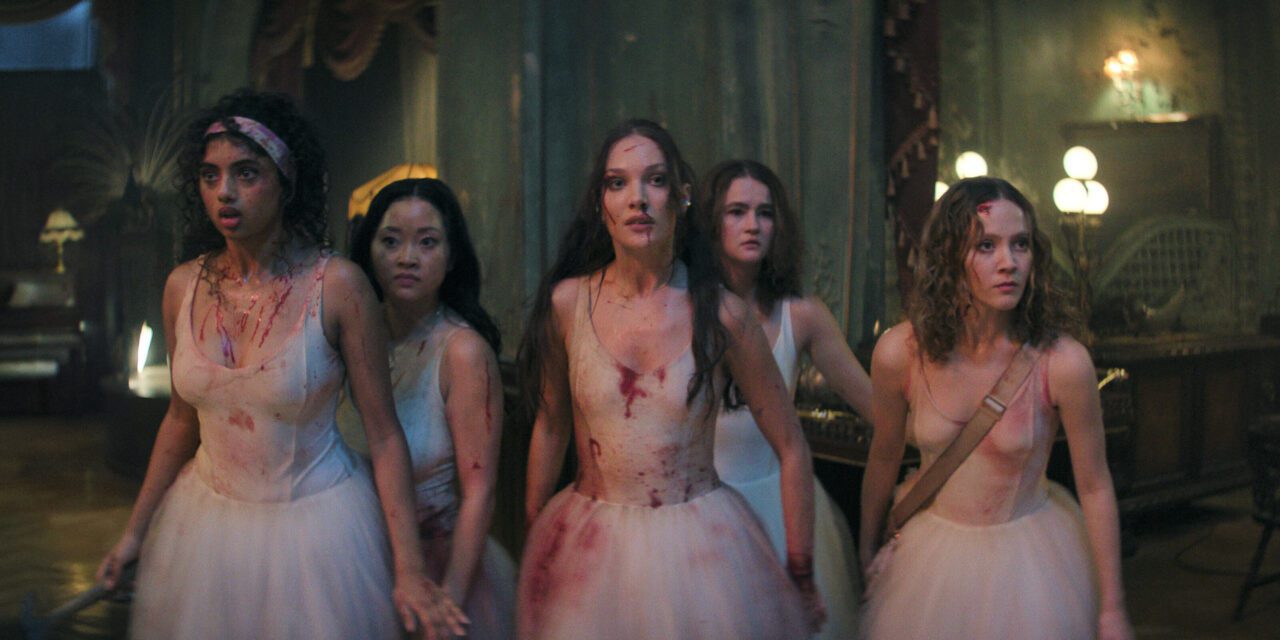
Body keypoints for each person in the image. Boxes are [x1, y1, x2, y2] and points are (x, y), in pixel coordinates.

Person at [95, 89, 465, 640]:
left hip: (318, 530)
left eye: (246, 173)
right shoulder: (182, 286)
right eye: (210, 175)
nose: (225, 192)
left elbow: (385, 436)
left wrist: (409, 570)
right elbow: (179, 419)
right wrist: (135, 533)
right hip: (207, 527)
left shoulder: (337, 286)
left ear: (286, 181)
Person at [514, 119, 822, 639]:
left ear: (681, 197)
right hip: (591, 545)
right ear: (600, 205)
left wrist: (801, 570)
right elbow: (550, 427)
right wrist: (536, 538)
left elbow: (791, 445)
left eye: (655, 180)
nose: (638, 198)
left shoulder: (723, 315)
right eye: (618, 183)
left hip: (698, 549)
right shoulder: (568, 304)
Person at [859, 177, 1132, 639]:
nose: (1009, 263)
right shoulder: (900, 353)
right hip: (931, 562)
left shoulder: (1061, 362)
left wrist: (1112, 608)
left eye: (1020, 244)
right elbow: (884, 455)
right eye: (986, 246)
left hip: (1029, 565)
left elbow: (1095, 485)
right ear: (949, 256)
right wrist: (866, 546)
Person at [697, 159, 869, 639]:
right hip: (705, 509)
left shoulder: (802, 315)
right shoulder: (685, 312)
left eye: (765, 213)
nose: (753, 225)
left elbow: (874, 404)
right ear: (711, 221)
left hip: (782, 505)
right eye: (737, 211)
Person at [342, 177, 517, 638]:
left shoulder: (462, 352)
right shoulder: (348, 336)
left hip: (438, 559)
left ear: (452, 255)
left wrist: (449, 599)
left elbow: (480, 492)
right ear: (368, 248)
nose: (407, 258)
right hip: (347, 558)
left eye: (427, 242)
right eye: (390, 241)